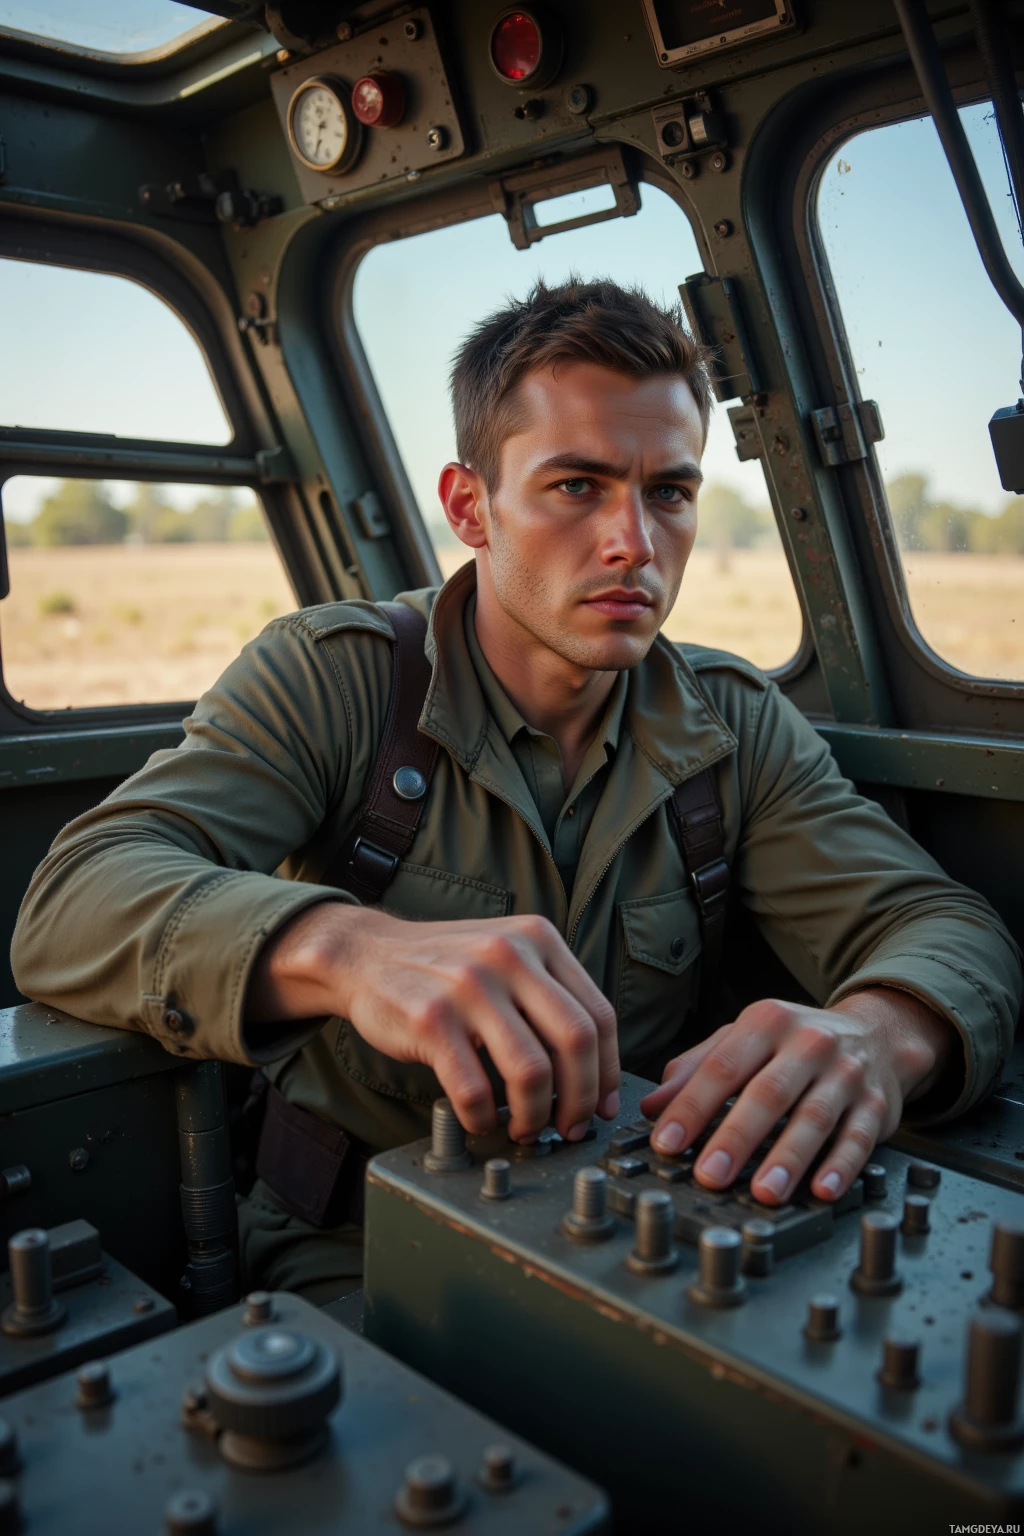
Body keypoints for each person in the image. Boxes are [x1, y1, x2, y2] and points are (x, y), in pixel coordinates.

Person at [11, 279, 1021, 1302]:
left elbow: (938, 925)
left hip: (644, 1234)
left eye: (668, 491)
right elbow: (74, 898)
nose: (633, 540)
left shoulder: (731, 724)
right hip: (352, 1252)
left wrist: (880, 1035)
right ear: (468, 507)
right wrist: (348, 951)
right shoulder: (337, 679)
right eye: (576, 485)